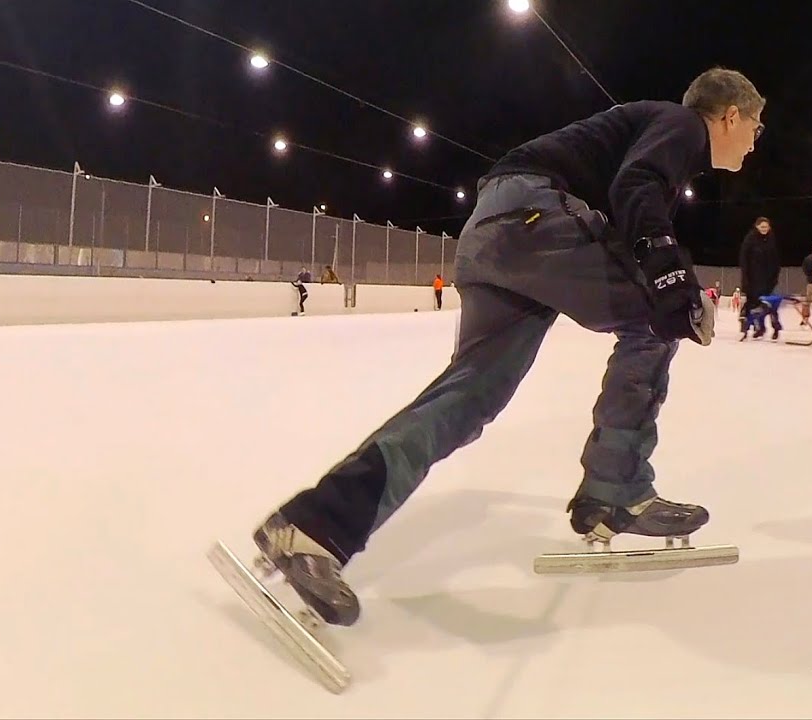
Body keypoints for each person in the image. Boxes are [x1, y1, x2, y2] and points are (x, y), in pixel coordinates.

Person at [242, 67, 766, 626]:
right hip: (533, 217)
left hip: (495, 227)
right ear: (729, 115)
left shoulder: (655, 133)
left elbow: (629, 206)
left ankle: (315, 527)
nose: (754, 142)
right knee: (661, 320)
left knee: (467, 398)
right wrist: (673, 283)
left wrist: (666, 276)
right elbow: (636, 187)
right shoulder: (682, 124)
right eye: (756, 127)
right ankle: (617, 489)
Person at [738, 217, 780, 338]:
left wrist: (775, 276)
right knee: (754, 306)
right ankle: (757, 328)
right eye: (762, 227)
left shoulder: (771, 240)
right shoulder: (750, 239)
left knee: (768, 305)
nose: (764, 229)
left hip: (768, 280)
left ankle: (775, 327)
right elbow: (744, 260)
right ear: (756, 227)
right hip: (753, 279)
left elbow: (776, 259)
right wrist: (745, 279)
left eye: (766, 227)